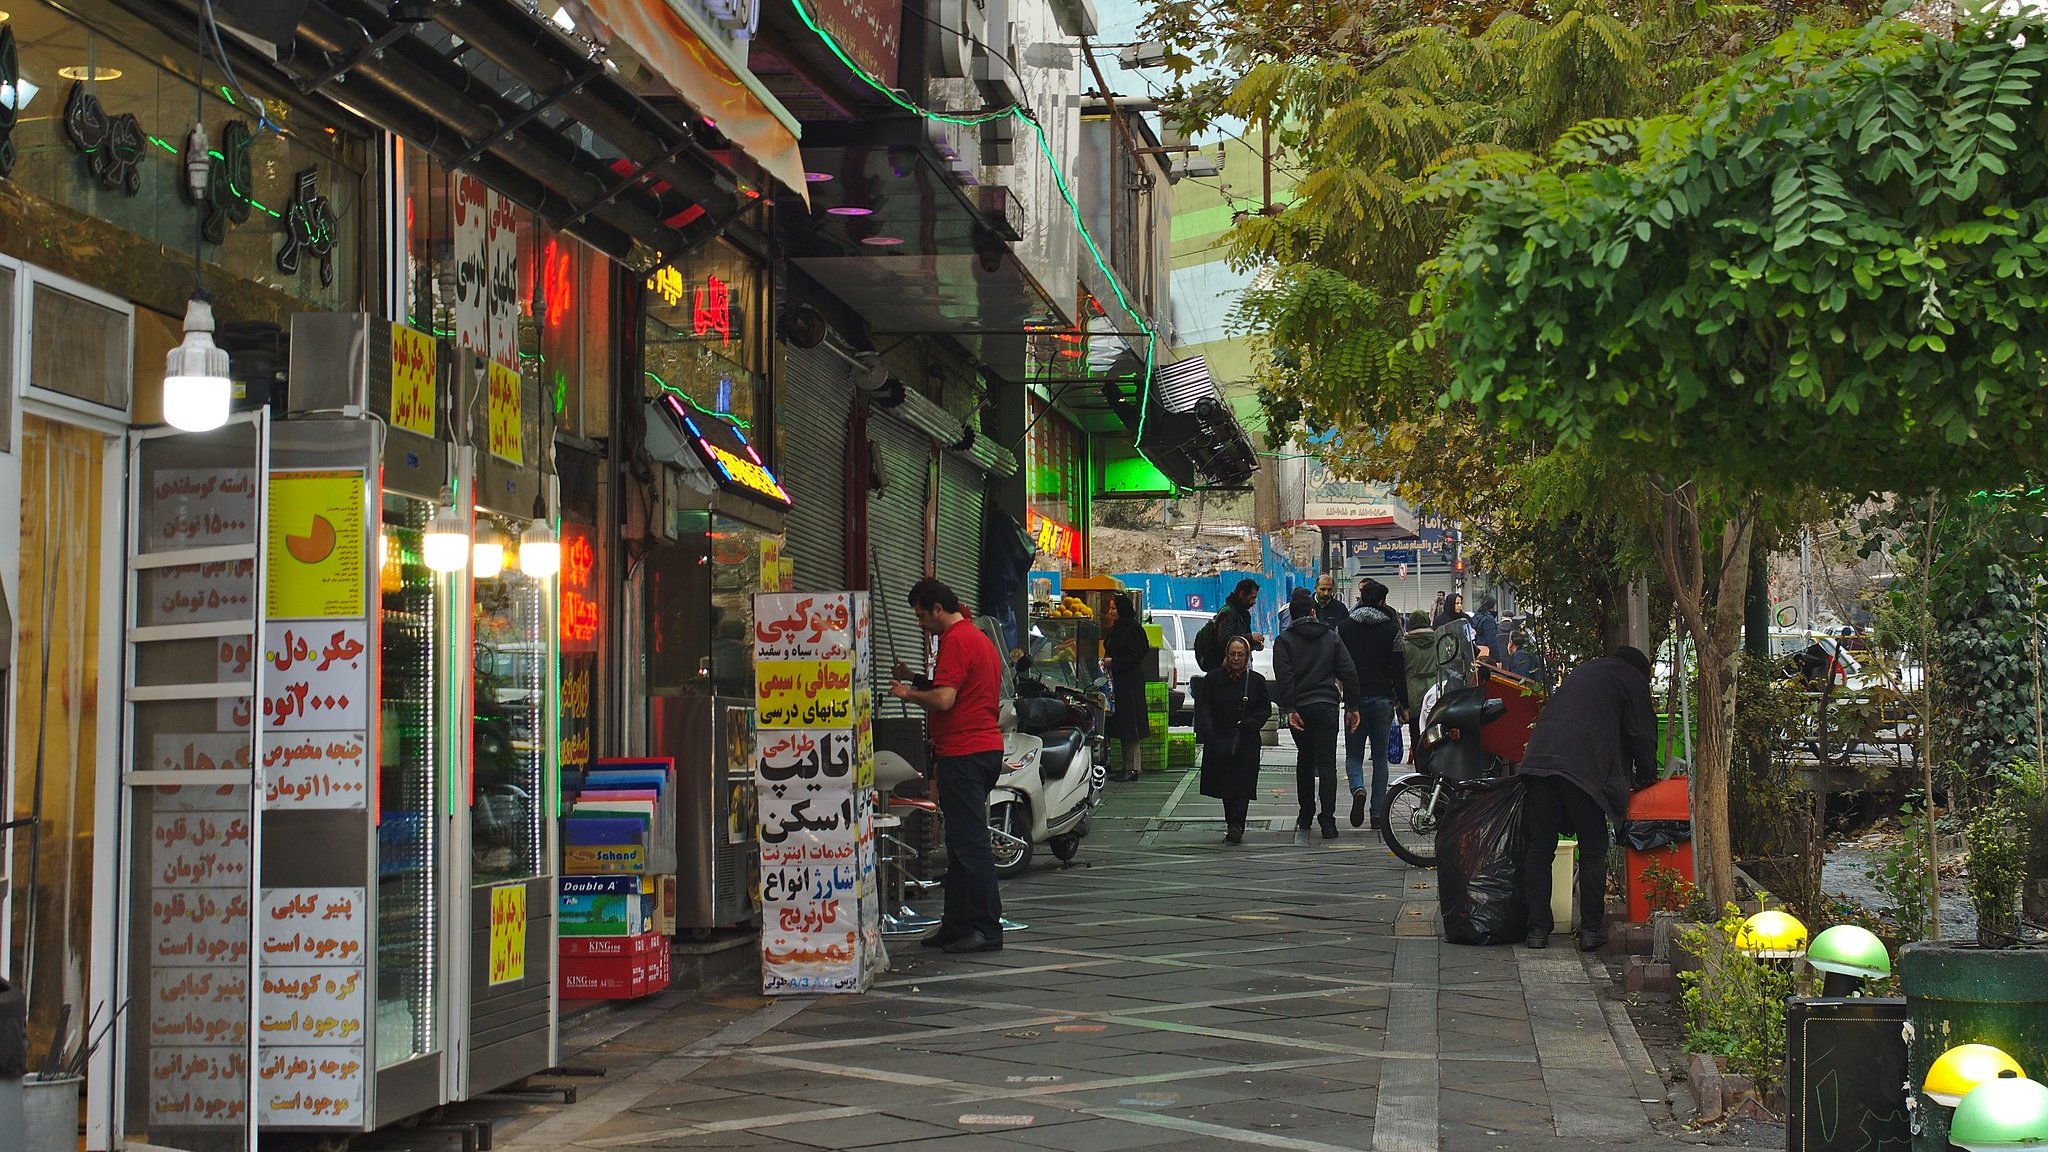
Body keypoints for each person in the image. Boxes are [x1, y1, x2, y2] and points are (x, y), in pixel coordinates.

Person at [888, 578, 1006, 955]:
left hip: (965, 752)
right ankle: (956, 925)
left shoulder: (955, 641)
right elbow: (956, 686)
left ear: (938, 609)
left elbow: (943, 698)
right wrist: (914, 677)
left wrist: (907, 693)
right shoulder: (977, 639)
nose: (920, 623)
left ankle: (986, 928)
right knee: (958, 842)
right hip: (980, 750)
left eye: (922, 616)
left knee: (970, 844)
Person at [1517, 645, 1659, 952]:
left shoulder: (1585, 671)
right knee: (1593, 848)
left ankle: (1537, 930)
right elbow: (1641, 733)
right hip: (1582, 768)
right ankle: (1592, 930)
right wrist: (1647, 775)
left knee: (1540, 846)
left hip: (1539, 760)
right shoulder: (1632, 678)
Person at [1273, 588, 1362, 840]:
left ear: (1291, 614)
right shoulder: (1331, 637)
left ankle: (1305, 814)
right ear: (1313, 612)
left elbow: (1285, 677)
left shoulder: (1284, 641)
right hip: (1326, 707)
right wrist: (1352, 706)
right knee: (1327, 764)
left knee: (1304, 759)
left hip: (1300, 709)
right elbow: (1349, 672)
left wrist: (1289, 708)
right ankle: (1328, 822)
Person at [1338, 579, 1403, 829]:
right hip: (1383, 700)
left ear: (1361, 599)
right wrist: (1404, 705)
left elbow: (1338, 663)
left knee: (1353, 755)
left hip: (1354, 702)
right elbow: (1398, 670)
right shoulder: (1392, 630)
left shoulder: (1343, 628)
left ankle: (1358, 789)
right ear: (1381, 602)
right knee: (1379, 759)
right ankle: (1377, 814)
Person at [1195, 635, 1272, 844]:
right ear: (1226, 655)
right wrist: (1209, 731)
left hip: (1246, 739)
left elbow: (1264, 709)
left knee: (1243, 784)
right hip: (1221, 737)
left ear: (1247, 656)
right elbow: (1204, 705)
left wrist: (1252, 723)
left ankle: (1237, 824)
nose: (1236, 658)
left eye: (1241, 654)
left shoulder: (1256, 681)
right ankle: (1232, 821)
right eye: (1232, 654)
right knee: (1225, 784)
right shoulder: (1213, 679)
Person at [1100, 592, 1151, 782]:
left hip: (1130, 683)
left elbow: (1137, 654)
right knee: (1122, 724)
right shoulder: (1117, 629)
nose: (1110, 612)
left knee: (1130, 724)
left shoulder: (1132, 629)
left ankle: (1133, 768)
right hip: (1118, 683)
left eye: (1114, 608)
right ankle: (1126, 766)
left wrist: (1115, 662)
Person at [1398, 610, 1439, 765]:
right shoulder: (1439, 640)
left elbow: (1399, 672)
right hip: (1436, 693)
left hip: (1413, 695)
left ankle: (1421, 768)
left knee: (1416, 733)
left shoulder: (1405, 645)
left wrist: (1401, 704)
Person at [1213, 578, 1265, 653]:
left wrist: (1254, 644)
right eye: (1252, 598)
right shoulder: (1228, 612)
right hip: (1229, 663)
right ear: (1242, 594)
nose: (1254, 602)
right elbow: (1225, 640)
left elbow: (1242, 645)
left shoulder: (1243, 614)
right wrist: (1250, 637)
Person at [1472, 595, 1501, 662]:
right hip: (1487, 653)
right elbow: (1492, 641)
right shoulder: (1489, 619)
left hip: (1477, 651)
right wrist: (1497, 659)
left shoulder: (1475, 616)